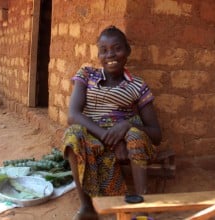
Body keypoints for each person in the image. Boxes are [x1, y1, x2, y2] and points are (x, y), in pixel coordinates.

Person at [61, 25, 162, 220]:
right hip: (94, 137)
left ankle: (141, 209)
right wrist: (106, 136)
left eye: (117, 48)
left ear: (127, 51)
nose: (110, 55)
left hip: (125, 141)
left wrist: (127, 126)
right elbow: (73, 115)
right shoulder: (86, 75)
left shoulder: (137, 85)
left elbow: (156, 135)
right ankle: (87, 208)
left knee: (135, 133)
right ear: (98, 54)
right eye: (104, 50)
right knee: (73, 134)